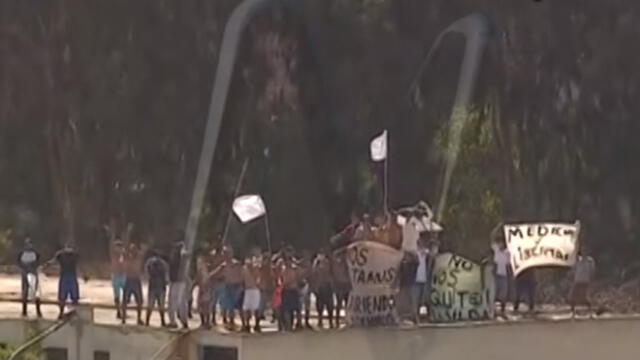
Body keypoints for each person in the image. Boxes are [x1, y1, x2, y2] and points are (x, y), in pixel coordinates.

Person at [48, 243, 80, 319]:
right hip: (65, 276)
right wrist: (47, 265)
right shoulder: (60, 254)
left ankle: (74, 311)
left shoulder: (74, 255)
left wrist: (84, 273)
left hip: (72, 275)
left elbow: (79, 266)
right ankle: (61, 312)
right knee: (62, 296)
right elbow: (53, 261)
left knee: (74, 295)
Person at [217, 247, 243, 330]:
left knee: (234, 305)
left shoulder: (236, 264)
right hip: (227, 286)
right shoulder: (223, 265)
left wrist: (241, 284)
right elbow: (217, 273)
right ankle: (226, 321)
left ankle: (232, 321)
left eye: (228, 253)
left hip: (236, 286)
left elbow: (242, 274)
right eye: (225, 254)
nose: (226, 256)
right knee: (226, 304)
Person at [122, 243, 146, 325]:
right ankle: (123, 318)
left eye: (135, 250)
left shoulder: (138, 258)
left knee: (139, 301)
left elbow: (143, 250)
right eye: (132, 250)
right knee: (125, 300)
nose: (134, 251)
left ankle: (139, 318)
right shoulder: (128, 258)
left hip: (136, 280)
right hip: (129, 279)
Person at [17, 238, 42, 317]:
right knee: (25, 292)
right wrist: (23, 269)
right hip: (25, 274)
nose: (28, 246)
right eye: (27, 244)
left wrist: (32, 267)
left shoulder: (36, 253)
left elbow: (38, 263)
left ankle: (38, 311)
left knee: (35, 292)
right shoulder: (21, 253)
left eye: (30, 244)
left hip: (33, 274)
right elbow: (19, 263)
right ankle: (24, 311)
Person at [145, 249, 169, 326]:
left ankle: (147, 321)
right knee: (161, 305)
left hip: (153, 286)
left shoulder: (150, 262)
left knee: (150, 305)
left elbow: (147, 272)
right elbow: (166, 276)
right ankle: (162, 321)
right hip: (161, 286)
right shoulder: (163, 263)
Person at [167, 242, 189, 329]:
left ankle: (173, 322)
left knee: (173, 302)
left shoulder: (178, 256)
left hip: (177, 281)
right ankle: (184, 321)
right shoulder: (181, 257)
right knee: (182, 303)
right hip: (180, 281)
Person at [569, 249, 596, 317]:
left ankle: (590, 312)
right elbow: (574, 270)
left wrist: (591, 279)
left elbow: (592, 270)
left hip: (584, 280)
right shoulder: (578, 260)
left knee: (579, 297)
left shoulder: (590, 261)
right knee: (573, 296)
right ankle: (573, 312)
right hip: (578, 280)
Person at [312, 249, 334, 328]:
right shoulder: (316, 262)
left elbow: (332, 272)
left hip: (327, 284)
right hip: (320, 285)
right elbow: (314, 273)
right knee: (320, 304)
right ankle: (320, 320)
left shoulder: (329, 261)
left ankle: (331, 322)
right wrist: (315, 286)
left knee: (330, 305)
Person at [279, 252, 300, 331]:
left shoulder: (294, 269)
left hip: (293, 290)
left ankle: (295, 324)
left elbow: (298, 278)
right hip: (287, 291)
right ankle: (288, 326)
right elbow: (283, 280)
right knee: (286, 309)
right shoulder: (284, 270)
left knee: (295, 309)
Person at [491, 238, 511, 318]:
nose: (500, 245)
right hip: (496, 275)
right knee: (495, 293)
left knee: (503, 294)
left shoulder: (507, 253)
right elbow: (492, 238)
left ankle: (502, 310)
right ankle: (494, 310)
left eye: (502, 243)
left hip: (503, 275)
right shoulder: (496, 250)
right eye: (499, 243)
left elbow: (508, 264)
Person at [242, 255, 262, 332]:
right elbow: (243, 279)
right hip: (247, 290)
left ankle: (257, 324)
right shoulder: (244, 269)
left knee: (256, 308)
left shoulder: (256, 268)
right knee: (247, 309)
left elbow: (257, 277)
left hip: (255, 290)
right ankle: (247, 324)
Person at [398, 251, 419, 324]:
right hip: (406, 284)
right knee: (407, 300)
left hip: (409, 284)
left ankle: (413, 316)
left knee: (410, 300)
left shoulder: (411, 264)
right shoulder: (405, 264)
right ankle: (409, 316)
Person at [332, 249, 351, 327]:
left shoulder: (347, 265)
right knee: (339, 303)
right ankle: (336, 320)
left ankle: (347, 319)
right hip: (339, 285)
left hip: (346, 284)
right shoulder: (336, 264)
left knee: (347, 304)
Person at [195, 254, 214, 329]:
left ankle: (206, 322)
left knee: (205, 306)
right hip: (203, 288)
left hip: (204, 288)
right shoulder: (203, 269)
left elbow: (201, 279)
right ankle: (205, 322)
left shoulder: (203, 269)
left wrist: (203, 288)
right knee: (203, 306)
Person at [110, 237, 127, 319]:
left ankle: (123, 311)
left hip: (122, 275)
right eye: (117, 246)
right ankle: (118, 311)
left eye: (120, 246)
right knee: (117, 296)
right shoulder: (113, 254)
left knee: (125, 295)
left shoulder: (123, 255)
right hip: (116, 276)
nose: (119, 248)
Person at [209, 245, 225, 325]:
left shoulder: (224, 258)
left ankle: (224, 318)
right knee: (213, 301)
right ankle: (213, 318)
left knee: (223, 301)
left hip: (222, 281)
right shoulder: (212, 258)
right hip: (214, 281)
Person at [413, 238, 429, 322]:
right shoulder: (416, 253)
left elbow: (431, 253)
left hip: (424, 279)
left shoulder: (425, 252)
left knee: (423, 299)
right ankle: (416, 316)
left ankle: (421, 315)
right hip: (416, 279)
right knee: (416, 299)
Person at [296, 251, 312, 329]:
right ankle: (299, 322)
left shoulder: (309, 267)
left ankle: (306, 321)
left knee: (307, 306)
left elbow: (311, 277)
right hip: (300, 287)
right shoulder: (298, 267)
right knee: (299, 306)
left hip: (307, 287)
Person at [258, 252, 275, 324]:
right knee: (261, 305)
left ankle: (274, 316)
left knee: (274, 305)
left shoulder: (271, 267)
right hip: (263, 288)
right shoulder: (261, 267)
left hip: (270, 288)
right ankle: (258, 321)